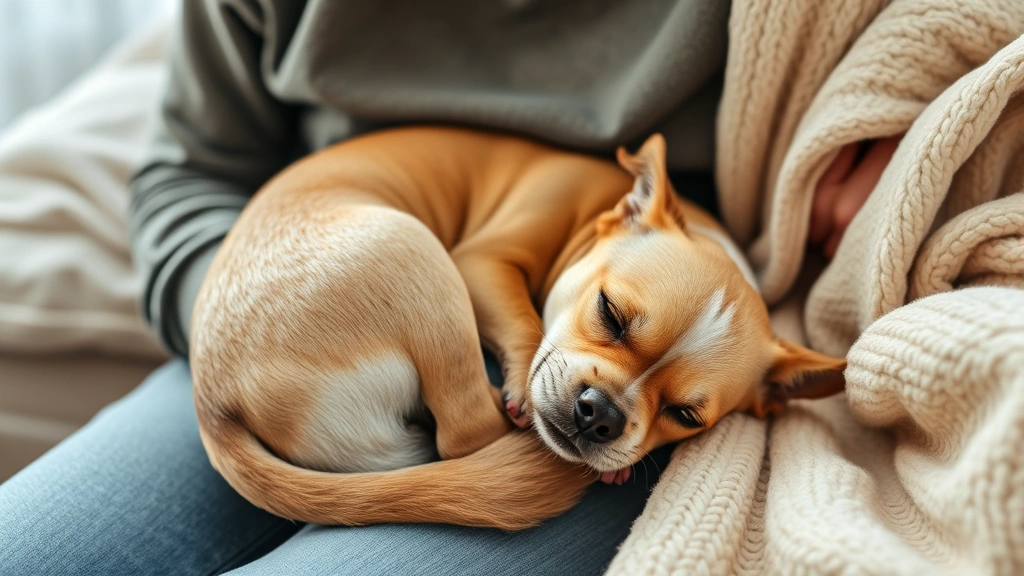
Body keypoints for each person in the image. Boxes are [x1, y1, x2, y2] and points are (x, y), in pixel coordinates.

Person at [0, 2, 898, 574]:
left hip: (364, 361)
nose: (605, 405)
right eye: (612, 322)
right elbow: (189, 174)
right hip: (301, 326)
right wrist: (252, 319)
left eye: (682, 411)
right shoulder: (588, 210)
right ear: (622, 214)